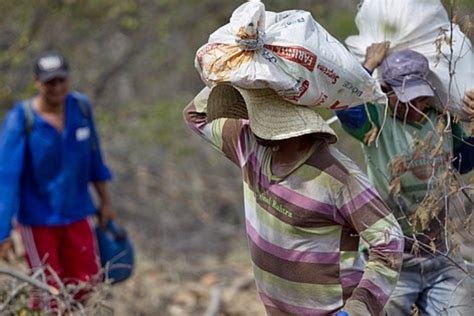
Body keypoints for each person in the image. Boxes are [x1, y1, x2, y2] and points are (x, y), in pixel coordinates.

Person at [184, 83, 404, 315]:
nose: (257, 126)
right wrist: (233, 73)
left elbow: (389, 241)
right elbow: (196, 115)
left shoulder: (339, 177)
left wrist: (358, 307)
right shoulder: (249, 144)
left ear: (298, 130)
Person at [336, 43, 474, 315]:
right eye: (406, 98)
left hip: (441, 255)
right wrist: (368, 67)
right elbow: (344, 107)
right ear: (386, 92)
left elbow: (464, 161)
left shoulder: (442, 120)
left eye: (420, 97)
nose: (416, 105)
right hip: (391, 260)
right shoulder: (376, 122)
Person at [0, 51, 115, 307]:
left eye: (61, 80)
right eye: (50, 82)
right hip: (39, 221)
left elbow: (95, 160)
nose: (56, 88)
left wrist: (105, 202)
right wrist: (2, 232)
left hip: (77, 214)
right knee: (47, 291)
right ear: (37, 83)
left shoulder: (81, 108)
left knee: (85, 284)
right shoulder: (22, 119)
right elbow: (6, 180)